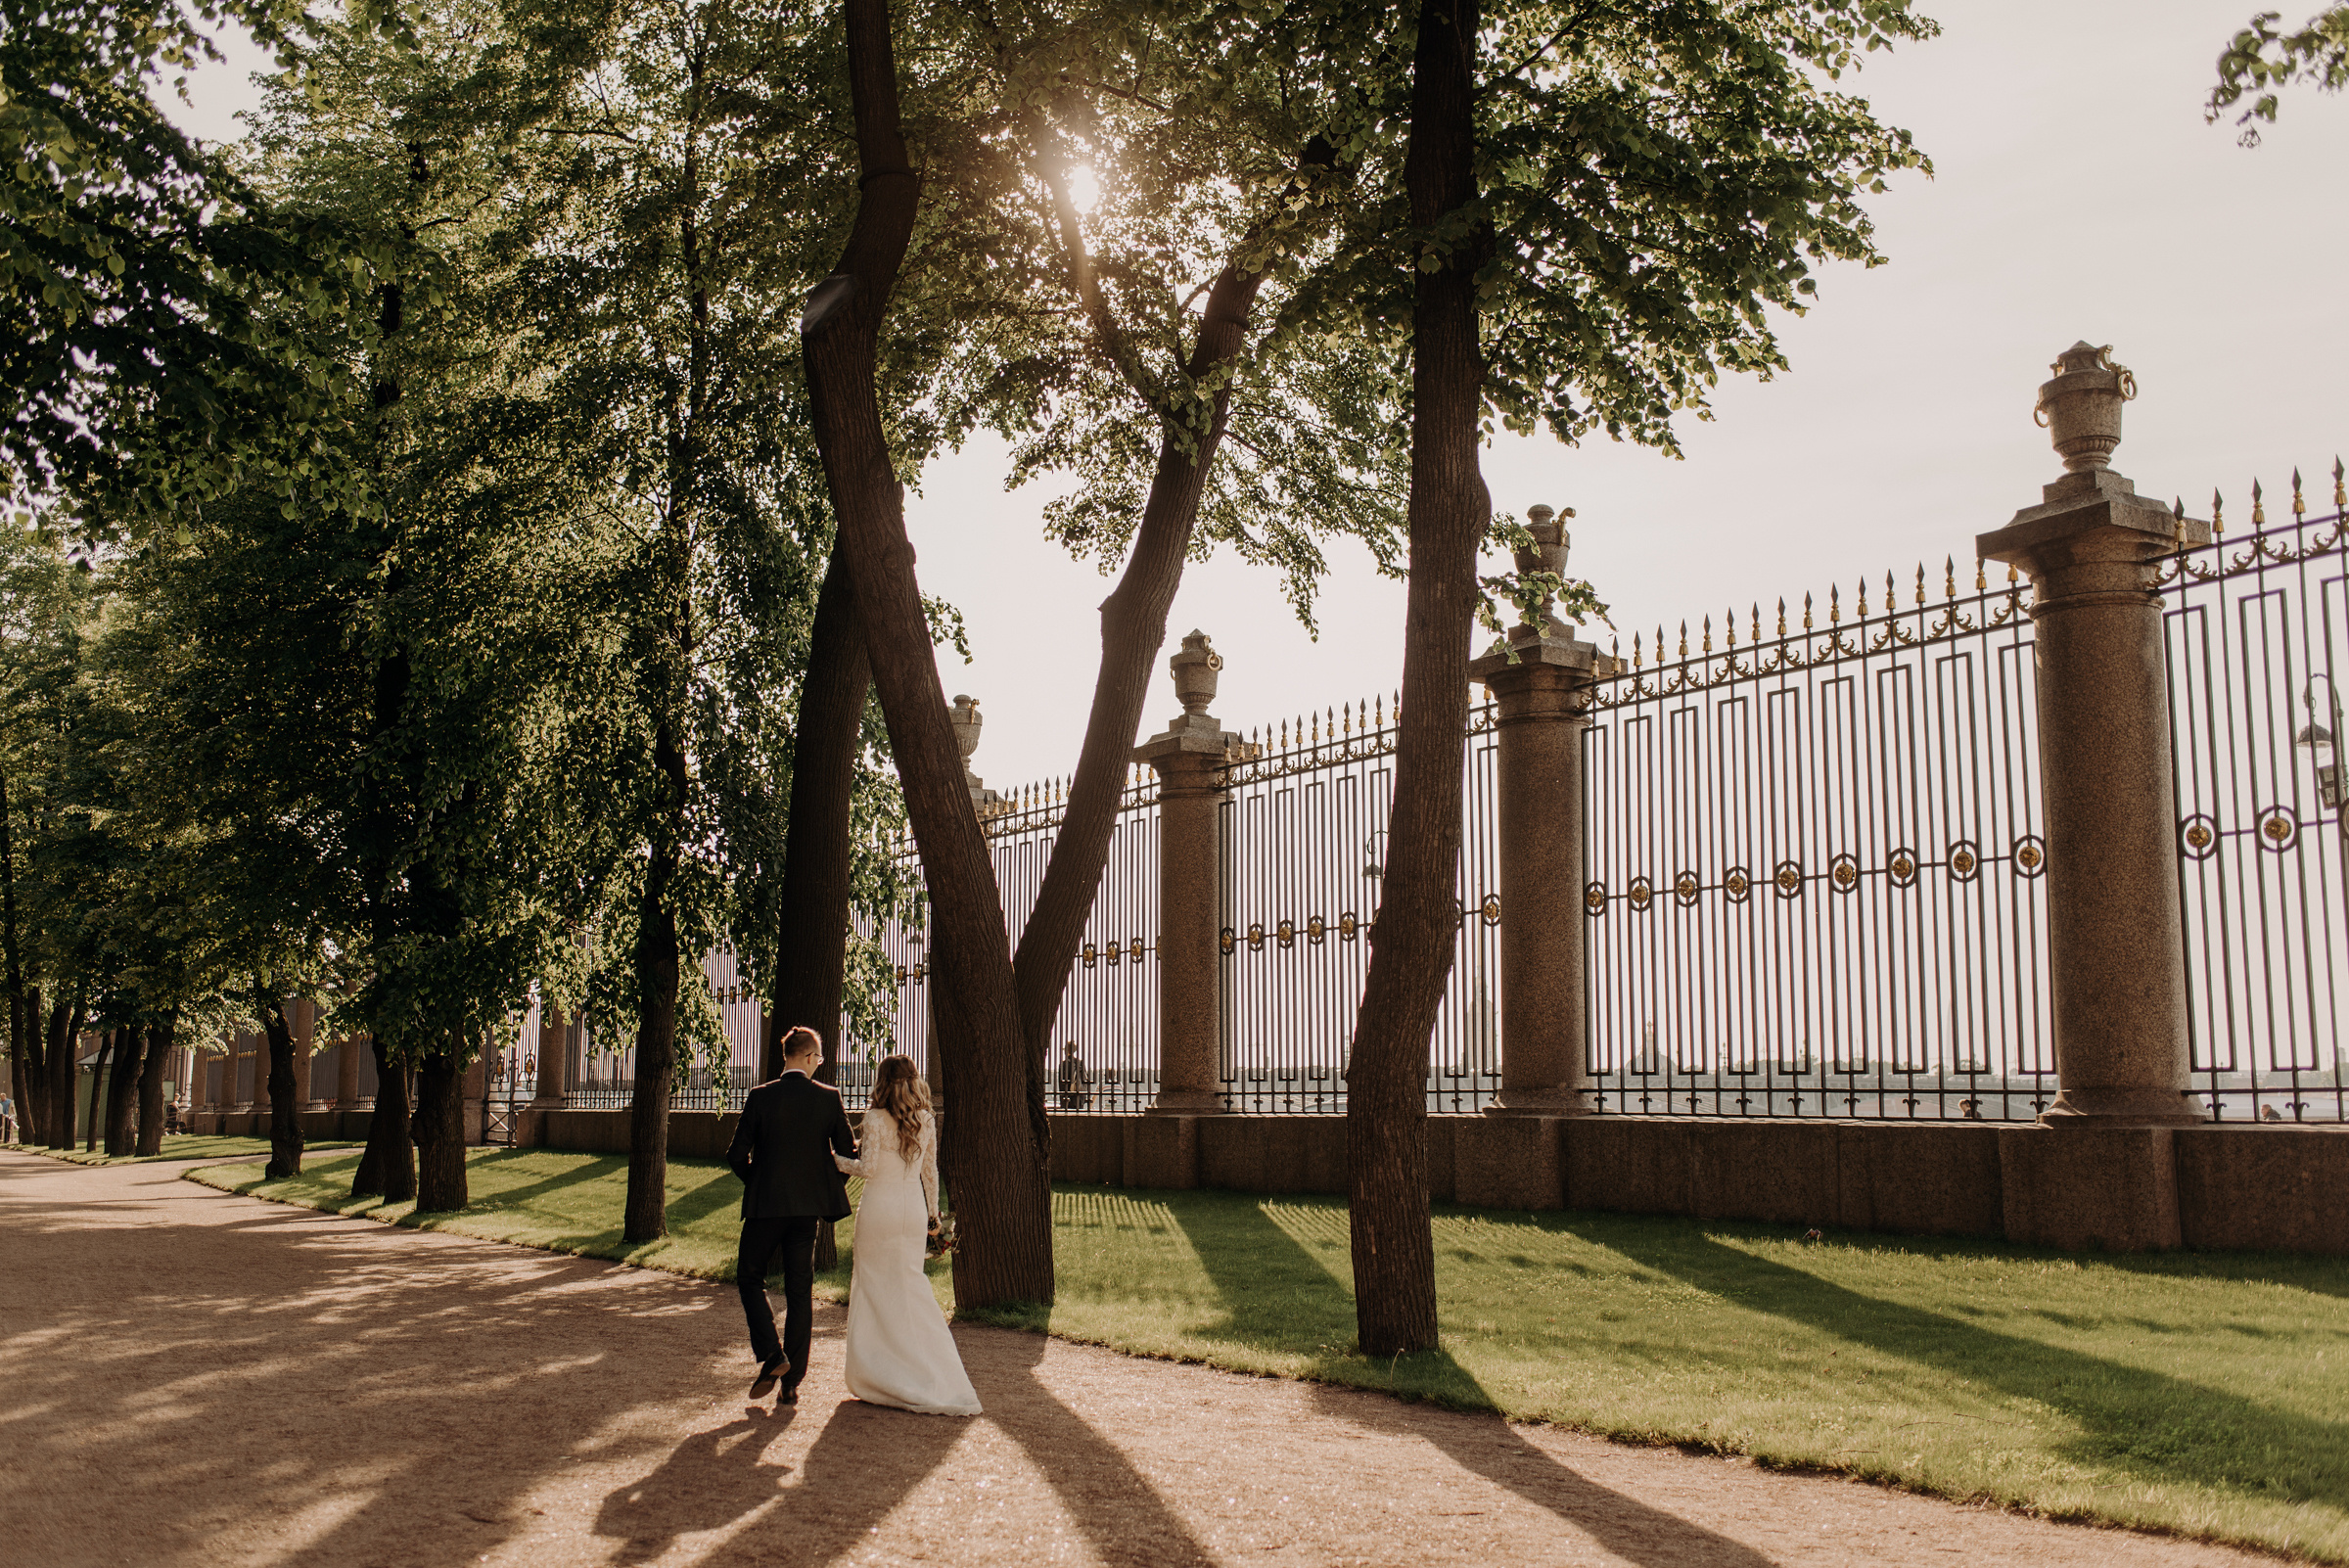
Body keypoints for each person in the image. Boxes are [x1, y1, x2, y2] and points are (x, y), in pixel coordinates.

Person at [831, 1054, 981, 1416]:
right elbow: (930, 1173)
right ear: (915, 1081)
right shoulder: (927, 1119)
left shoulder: (875, 1118)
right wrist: (933, 1217)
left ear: (882, 1082)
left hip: (880, 1210)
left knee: (872, 1286)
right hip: (912, 1208)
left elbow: (865, 1169)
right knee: (910, 1287)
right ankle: (935, 1371)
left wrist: (832, 1158)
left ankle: (878, 1372)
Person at [726, 1025, 856, 1404]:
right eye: (818, 1057)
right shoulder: (828, 1098)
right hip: (806, 1214)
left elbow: (736, 1155)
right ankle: (791, 1383)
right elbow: (849, 1156)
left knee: (749, 1277)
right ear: (804, 1056)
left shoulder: (760, 1096)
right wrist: (822, 1187)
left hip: (765, 1208)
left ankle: (772, 1353)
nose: (819, 1063)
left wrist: (759, 1183)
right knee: (800, 1291)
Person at [1056, 1041, 1090, 1110]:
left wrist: (1062, 1100)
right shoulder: (1080, 1063)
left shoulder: (1063, 1064)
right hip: (1079, 1098)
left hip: (1067, 1098)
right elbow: (1085, 1080)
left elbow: (1061, 1084)